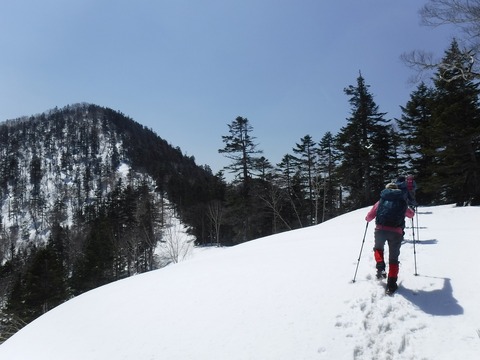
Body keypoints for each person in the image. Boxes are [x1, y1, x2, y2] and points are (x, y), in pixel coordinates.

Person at [365, 183, 415, 295]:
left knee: (378, 248)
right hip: (396, 232)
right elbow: (411, 215)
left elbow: (369, 216)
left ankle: (380, 267)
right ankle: (391, 285)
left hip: (380, 230)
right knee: (393, 258)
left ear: (386, 190)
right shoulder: (401, 201)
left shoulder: (381, 201)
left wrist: (367, 219)